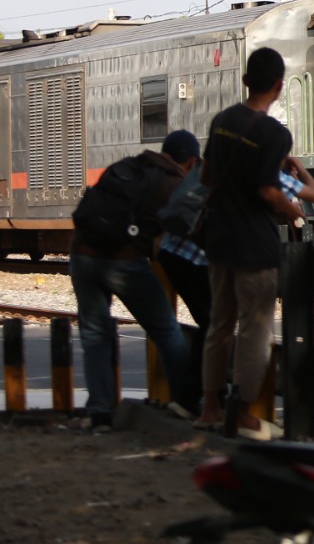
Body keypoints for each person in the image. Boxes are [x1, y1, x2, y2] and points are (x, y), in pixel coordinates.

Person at [197, 47, 314, 440]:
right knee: (254, 332)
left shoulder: (221, 122)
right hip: (255, 246)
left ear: (246, 80)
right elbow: (268, 190)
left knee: (219, 325)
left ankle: (210, 408)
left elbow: (205, 179)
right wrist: (292, 211)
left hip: (218, 240)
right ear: (280, 87)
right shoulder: (274, 134)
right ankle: (244, 413)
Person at [69, 130, 197, 432]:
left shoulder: (127, 165)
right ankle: (186, 402)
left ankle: (100, 412)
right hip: (124, 263)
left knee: (94, 334)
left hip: (82, 254)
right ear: (190, 161)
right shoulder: (174, 184)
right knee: (166, 330)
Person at [154, 129, 211, 417]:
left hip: (171, 251)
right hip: (192, 258)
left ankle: (197, 396)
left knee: (211, 323)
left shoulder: (201, 171)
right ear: (191, 159)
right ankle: (194, 398)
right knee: (213, 325)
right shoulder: (224, 172)